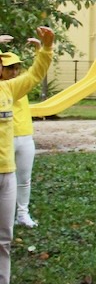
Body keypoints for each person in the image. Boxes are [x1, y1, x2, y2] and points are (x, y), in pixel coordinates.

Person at [0, 28, 53, 284]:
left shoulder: (8, 89)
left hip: (6, 172)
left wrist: (46, 48)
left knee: (4, 236)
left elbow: (35, 74)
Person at [1, 48, 40, 228]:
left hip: (25, 135)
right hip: (5, 139)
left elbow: (36, 72)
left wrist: (41, 50)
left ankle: (22, 214)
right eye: (10, 68)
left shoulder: (20, 84)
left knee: (24, 178)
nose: (14, 72)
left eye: (17, 68)